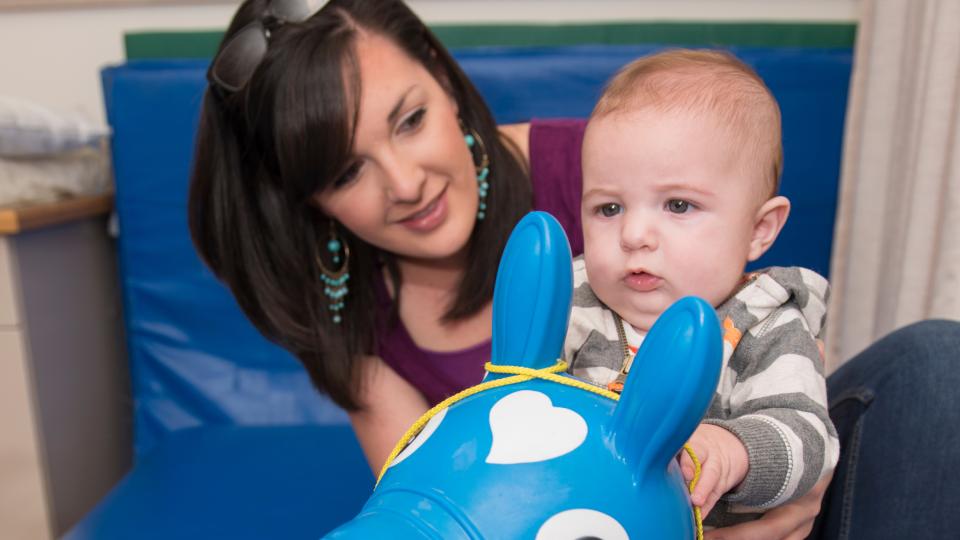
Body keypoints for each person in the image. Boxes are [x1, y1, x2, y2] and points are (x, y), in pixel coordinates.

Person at [188, 1, 960, 538]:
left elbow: (787, 388)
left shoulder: (612, 171)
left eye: (411, 120)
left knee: (932, 361)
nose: (406, 182)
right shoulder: (356, 316)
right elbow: (437, 500)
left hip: (749, 498)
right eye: (347, 170)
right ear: (311, 201)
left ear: (440, 74)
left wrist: (761, 473)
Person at [561, 49, 839, 528]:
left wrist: (735, 452)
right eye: (609, 209)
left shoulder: (766, 324)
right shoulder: (574, 304)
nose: (634, 235)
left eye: (678, 205)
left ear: (759, 229)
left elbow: (808, 435)